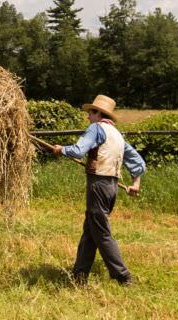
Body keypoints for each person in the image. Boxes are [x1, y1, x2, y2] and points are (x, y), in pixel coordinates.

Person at [50, 94, 145, 286]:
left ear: (98, 113)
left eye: (90, 113)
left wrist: (62, 150)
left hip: (98, 185)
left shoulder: (96, 128)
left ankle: (123, 276)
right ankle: (79, 275)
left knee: (101, 232)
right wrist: (136, 183)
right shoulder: (117, 134)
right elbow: (137, 163)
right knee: (90, 230)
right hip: (111, 188)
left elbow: (78, 150)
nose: (88, 117)